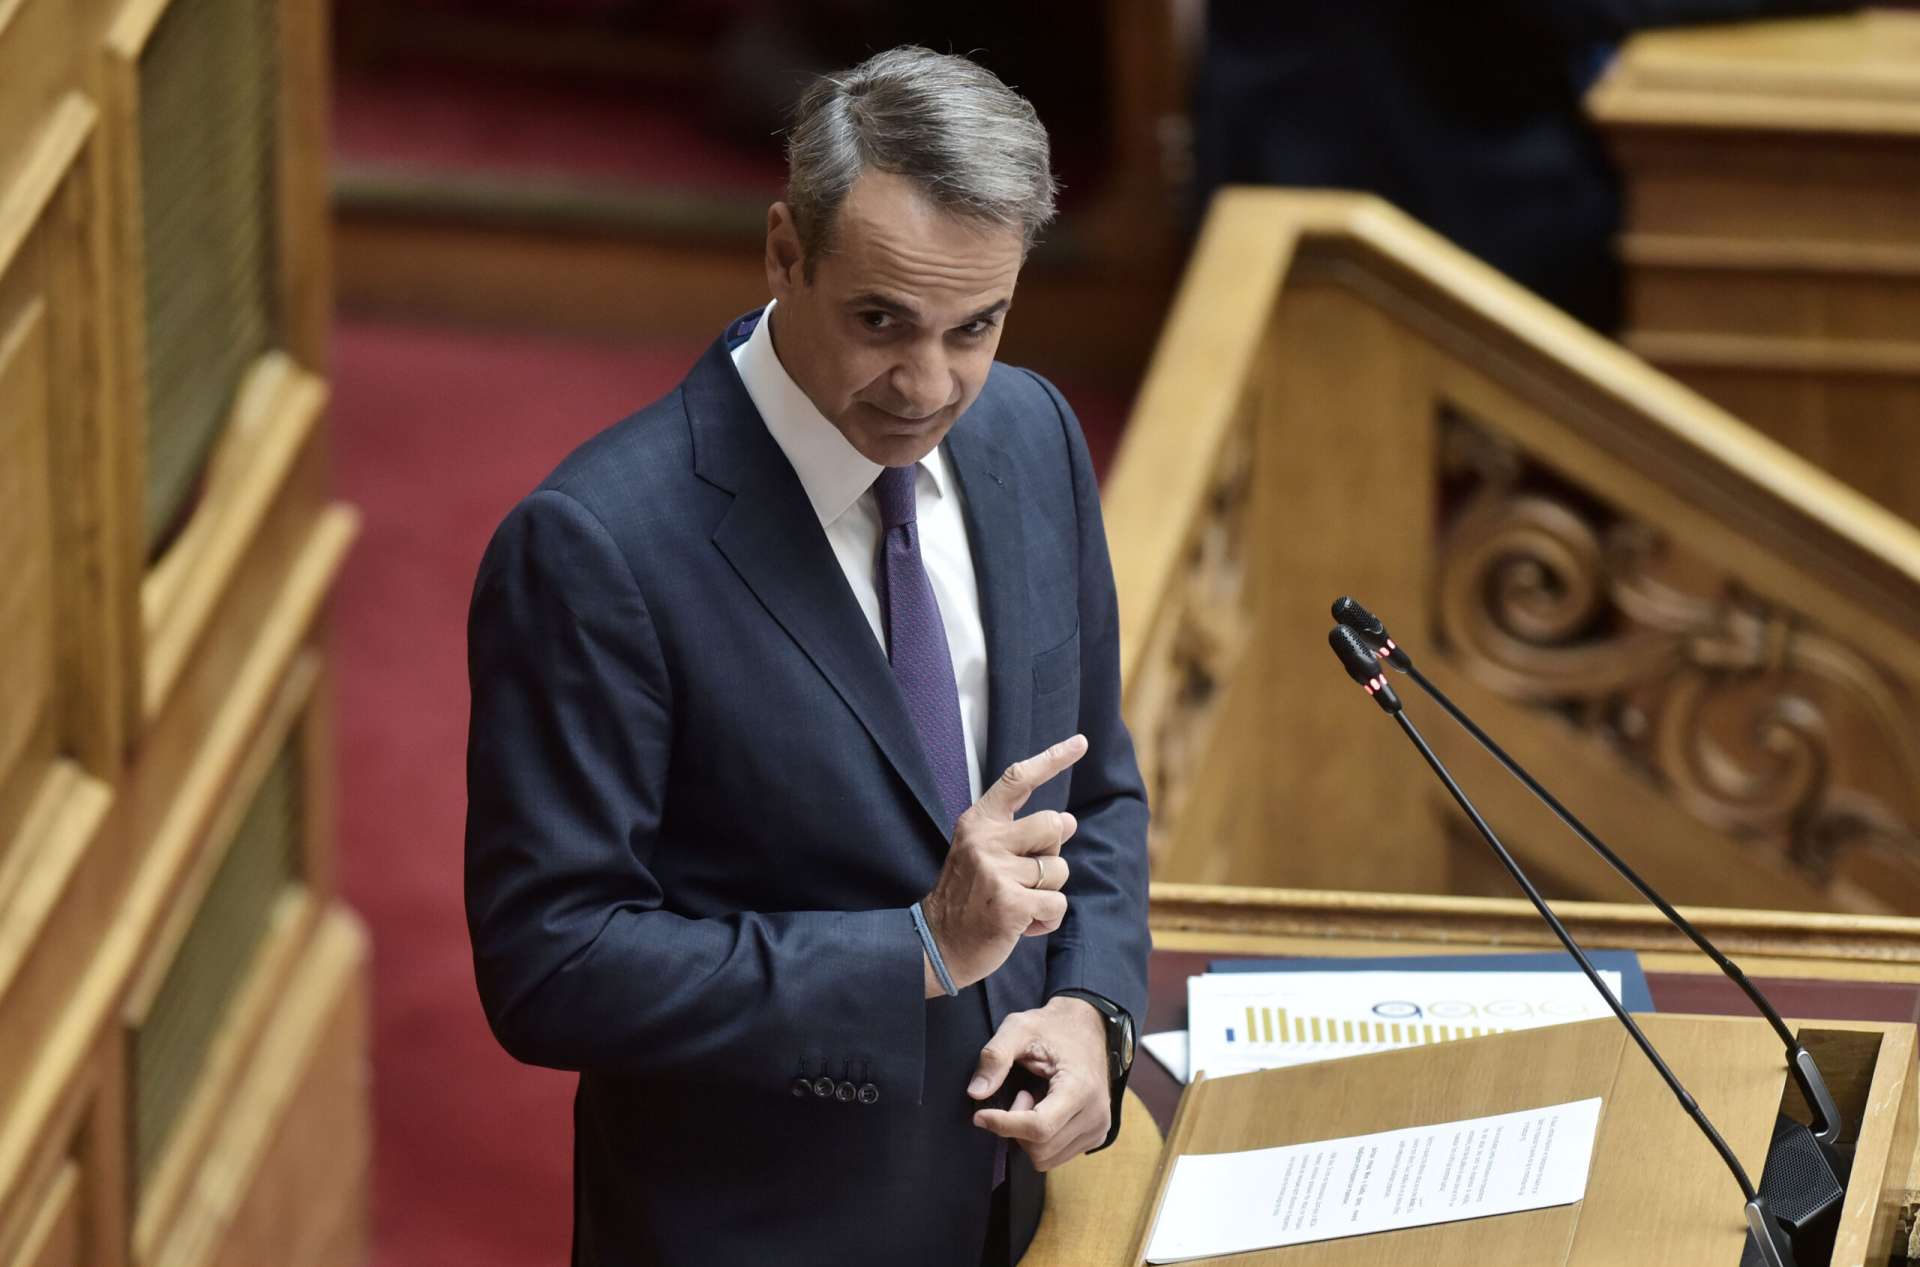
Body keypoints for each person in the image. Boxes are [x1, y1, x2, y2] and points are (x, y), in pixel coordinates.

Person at [464, 46, 1150, 1267]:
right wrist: (915, 952)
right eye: (881, 322)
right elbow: (551, 963)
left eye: (976, 326)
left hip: (1024, 1215)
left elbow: (1093, 792)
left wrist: (1093, 1010)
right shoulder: (595, 545)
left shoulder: (1031, 432)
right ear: (786, 252)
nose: (928, 384)